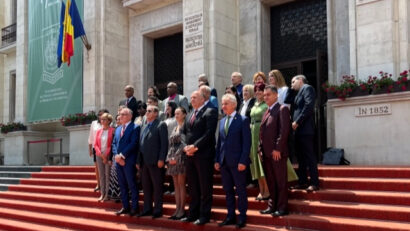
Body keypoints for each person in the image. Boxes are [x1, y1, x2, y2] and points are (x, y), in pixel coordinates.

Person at [180, 91, 218, 225]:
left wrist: (194, 146)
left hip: (203, 155)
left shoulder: (210, 112)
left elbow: (209, 133)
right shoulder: (190, 113)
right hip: (189, 156)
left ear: (203, 99)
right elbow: (183, 132)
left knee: (205, 186)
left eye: (195, 97)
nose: (192, 100)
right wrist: (185, 147)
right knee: (193, 187)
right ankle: (192, 213)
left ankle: (204, 215)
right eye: (191, 98)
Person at [215, 94, 251, 228]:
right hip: (224, 162)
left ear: (234, 104)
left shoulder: (243, 120)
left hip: (238, 163)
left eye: (225, 104)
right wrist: (217, 159)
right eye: (222, 104)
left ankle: (242, 217)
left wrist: (243, 161)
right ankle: (230, 215)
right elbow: (219, 143)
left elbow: (246, 143)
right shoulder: (222, 121)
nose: (223, 106)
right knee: (228, 190)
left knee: (241, 190)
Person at [259, 85, 290, 217]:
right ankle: (272, 206)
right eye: (264, 95)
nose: (265, 97)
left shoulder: (282, 109)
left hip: (277, 154)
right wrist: (260, 150)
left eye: (268, 95)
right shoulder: (266, 111)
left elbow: (284, 131)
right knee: (271, 181)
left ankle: (282, 207)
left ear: (276, 95)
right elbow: (262, 133)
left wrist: (278, 149)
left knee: (280, 181)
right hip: (266, 154)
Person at [287, 75, 319, 192]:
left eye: (293, 82)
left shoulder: (307, 88)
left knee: (309, 156)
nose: (291, 84)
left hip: (305, 129)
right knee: (300, 158)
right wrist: (291, 89)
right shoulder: (297, 93)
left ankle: (314, 182)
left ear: (300, 80)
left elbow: (308, 106)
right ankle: (302, 181)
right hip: (298, 130)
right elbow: (287, 100)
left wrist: (297, 121)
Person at [137, 105, 169, 218]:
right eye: (147, 111)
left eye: (150, 111)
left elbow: (164, 144)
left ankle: (158, 209)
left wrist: (162, 159)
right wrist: (138, 161)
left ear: (156, 113)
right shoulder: (144, 126)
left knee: (157, 186)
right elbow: (140, 144)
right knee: (146, 187)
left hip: (156, 162)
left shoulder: (161, 125)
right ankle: (147, 208)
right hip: (144, 162)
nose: (147, 113)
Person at [268, 70, 298, 183]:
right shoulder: (271, 91)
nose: (270, 78)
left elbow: (287, 106)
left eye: (272, 76)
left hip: (282, 120)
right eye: (269, 76)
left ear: (277, 77)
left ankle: (288, 178)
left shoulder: (285, 90)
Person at [112, 108, 140, 216]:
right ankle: (125, 206)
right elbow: (114, 144)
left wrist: (122, 156)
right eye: (120, 114)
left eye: (123, 114)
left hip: (128, 161)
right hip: (118, 161)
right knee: (122, 185)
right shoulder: (118, 129)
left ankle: (134, 207)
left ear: (130, 116)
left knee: (131, 184)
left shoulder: (135, 127)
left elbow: (133, 143)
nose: (121, 116)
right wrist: (116, 156)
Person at [166, 107, 188, 220]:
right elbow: (171, 145)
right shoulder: (174, 127)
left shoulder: (185, 126)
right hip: (172, 160)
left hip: (181, 159)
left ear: (184, 114)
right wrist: (169, 158)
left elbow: (184, 144)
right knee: (176, 186)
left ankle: (182, 210)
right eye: (175, 113)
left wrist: (175, 157)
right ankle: (177, 209)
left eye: (178, 113)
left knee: (181, 185)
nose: (176, 115)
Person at [249, 83, 270, 200]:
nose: (257, 93)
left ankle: (267, 190)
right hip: (252, 133)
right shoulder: (255, 104)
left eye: (260, 90)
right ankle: (261, 189)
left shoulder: (266, 104)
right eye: (256, 90)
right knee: (255, 162)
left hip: (261, 132)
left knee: (262, 163)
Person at [93, 113, 115, 202]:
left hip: (108, 155)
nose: (102, 121)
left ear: (109, 121)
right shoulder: (98, 131)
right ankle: (102, 193)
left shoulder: (112, 130)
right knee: (101, 175)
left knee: (107, 174)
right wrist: (101, 154)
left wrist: (106, 155)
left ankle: (107, 194)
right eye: (101, 119)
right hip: (99, 155)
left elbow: (112, 144)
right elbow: (95, 144)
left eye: (104, 119)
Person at [238, 84, 257, 188]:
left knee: (250, 157)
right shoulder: (241, 103)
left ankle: (253, 181)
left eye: (246, 91)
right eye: (243, 91)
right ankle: (245, 180)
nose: (244, 93)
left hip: (250, 132)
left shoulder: (254, 102)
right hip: (241, 132)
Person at [88, 109, 109, 192]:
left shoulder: (110, 123)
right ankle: (98, 184)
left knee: (106, 168)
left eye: (102, 114)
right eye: (99, 114)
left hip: (106, 149)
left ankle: (106, 186)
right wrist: (90, 149)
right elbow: (91, 137)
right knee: (97, 167)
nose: (100, 116)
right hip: (96, 148)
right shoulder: (94, 123)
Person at [108, 114, 121, 202]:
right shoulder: (115, 131)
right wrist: (110, 158)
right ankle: (116, 196)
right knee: (114, 177)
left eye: (119, 119)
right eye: (117, 120)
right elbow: (112, 144)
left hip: (124, 157)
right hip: (115, 157)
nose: (118, 121)